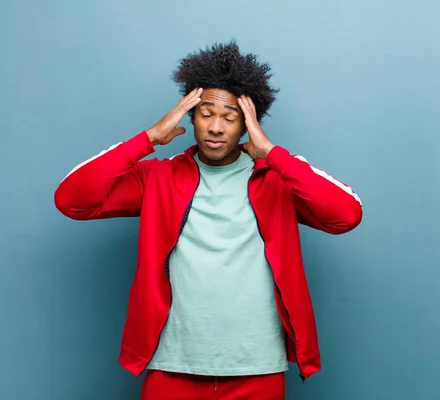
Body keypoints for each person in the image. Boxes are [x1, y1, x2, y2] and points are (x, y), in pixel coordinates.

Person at [54, 40, 362, 400]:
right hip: (173, 363)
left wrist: (274, 155)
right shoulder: (157, 179)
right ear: (191, 116)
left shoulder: (277, 180)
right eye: (206, 113)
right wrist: (148, 138)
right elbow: (72, 201)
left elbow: (346, 215)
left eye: (230, 118)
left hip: (257, 365)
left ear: (247, 125)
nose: (216, 127)